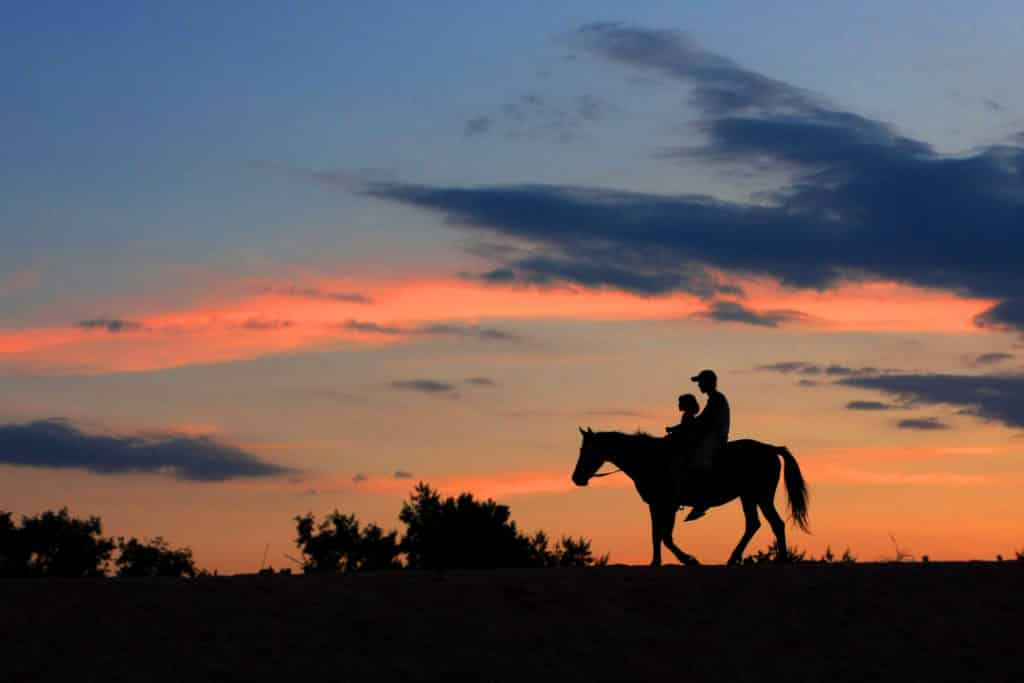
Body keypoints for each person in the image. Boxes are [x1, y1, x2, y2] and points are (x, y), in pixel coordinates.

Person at [685, 369, 730, 522]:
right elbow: (703, 420)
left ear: (708, 383)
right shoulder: (714, 399)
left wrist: (688, 426)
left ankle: (703, 499)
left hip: (714, 438)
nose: (699, 386)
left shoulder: (717, 399)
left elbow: (705, 421)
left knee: (697, 460)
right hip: (710, 436)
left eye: (700, 382)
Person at [665, 394, 700, 501]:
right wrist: (673, 429)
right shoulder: (687, 415)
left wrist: (673, 430)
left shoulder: (687, 415)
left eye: (680, 402)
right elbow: (682, 427)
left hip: (688, 445)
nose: (678, 405)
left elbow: (685, 428)